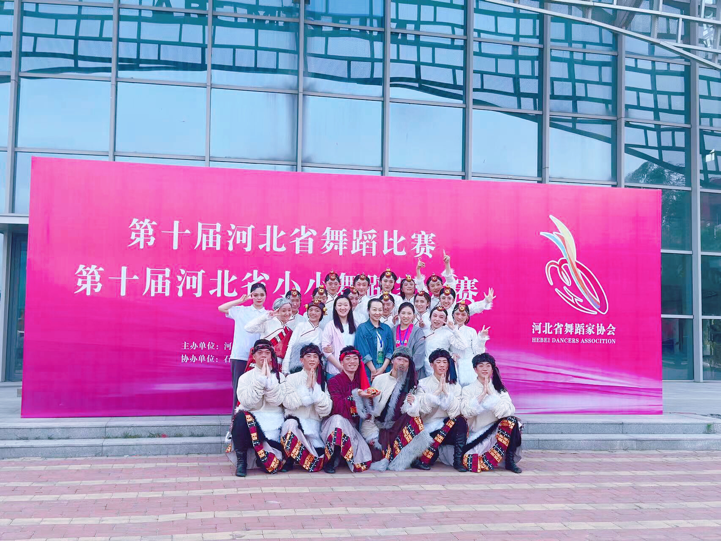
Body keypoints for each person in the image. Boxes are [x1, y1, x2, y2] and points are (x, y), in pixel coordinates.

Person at [361, 347, 432, 471]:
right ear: (393, 361)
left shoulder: (413, 384)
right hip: (380, 427)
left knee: (414, 419)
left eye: (405, 361)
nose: (402, 363)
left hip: (399, 427)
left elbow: (417, 410)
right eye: (399, 359)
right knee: (380, 457)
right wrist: (370, 434)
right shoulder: (379, 379)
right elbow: (370, 410)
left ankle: (413, 458)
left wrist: (413, 403)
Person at [403, 348, 468, 472]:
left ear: (448, 365)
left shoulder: (455, 385)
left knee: (460, 421)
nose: (442, 365)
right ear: (431, 365)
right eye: (438, 362)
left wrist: (446, 393)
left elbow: (456, 412)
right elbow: (421, 410)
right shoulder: (422, 384)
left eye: (445, 362)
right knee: (429, 459)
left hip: (449, 428)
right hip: (429, 430)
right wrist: (436, 393)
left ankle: (458, 461)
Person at [229, 339, 287, 477]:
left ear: (271, 356)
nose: (263, 356)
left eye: (267, 353)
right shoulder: (245, 378)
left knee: (269, 467)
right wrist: (260, 382)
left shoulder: (280, 377)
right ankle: (241, 462)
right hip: (251, 427)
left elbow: (277, 401)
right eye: (260, 353)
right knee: (240, 417)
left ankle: (263, 456)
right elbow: (247, 402)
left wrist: (269, 383)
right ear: (254, 356)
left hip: (273, 427)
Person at [461, 353, 522, 474]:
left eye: (488, 366)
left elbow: (509, 410)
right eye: (481, 365)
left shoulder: (499, 389)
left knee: (511, 421)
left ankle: (509, 461)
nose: (485, 369)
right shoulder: (467, 390)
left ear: (492, 369)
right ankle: (490, 458)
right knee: (470, 462)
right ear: (475, 369)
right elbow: (465, 412)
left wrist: (491, 395)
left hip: (498, 432)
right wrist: (481, 396)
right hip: (478, 434)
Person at [321, 346, 375, 473]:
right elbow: (337, 407)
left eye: (355, 358)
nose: (352, 361)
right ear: (341, 362)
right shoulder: (333, 381)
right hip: (333, 425)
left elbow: (367, 413)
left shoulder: (361, 382)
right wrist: (355, 396)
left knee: (366, 460)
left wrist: (368, 400)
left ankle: (342, 455)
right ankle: (331, 459)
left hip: (352, 427)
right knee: (338, 420)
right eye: (348, 358)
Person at [280, 344, 333, 472]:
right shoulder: (291, 378)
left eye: (315, 356)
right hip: (296, 426)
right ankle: (289, 458)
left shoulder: (322, 381)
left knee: (318, 460)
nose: (312, 359)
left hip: (314, 430)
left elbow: (326, 409)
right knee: (290, 423)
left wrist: (315, 390)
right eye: (308, 356)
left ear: (319, 360)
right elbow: (288, 402)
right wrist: (305, 388)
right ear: (301, 360)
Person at [218, 283, 268, 412]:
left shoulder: (268, 315)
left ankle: (253, 423)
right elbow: (221, 308)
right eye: (255, 295)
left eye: (262, 295)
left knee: (257, 391)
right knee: (239, 391)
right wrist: (240, 301)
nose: (259, 298)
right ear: (251, 295)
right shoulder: (241, 310)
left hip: (259, 359)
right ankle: (236, 421)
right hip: (240, 356)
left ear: (266, 296)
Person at [244, 297, 294, 369]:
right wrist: (265, 317)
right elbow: (248, 328)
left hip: (278, 365)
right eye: (283, 311)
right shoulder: (268, 322)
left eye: (289, 310)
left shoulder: (289, 329)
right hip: (263, 361)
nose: (287, 313)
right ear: (277, 311)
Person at [450, 301, 490, 387]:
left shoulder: (471, 331)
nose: (459, 317)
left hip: (468, 367)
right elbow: (444, 348)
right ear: (453, 314)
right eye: (457, 314)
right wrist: (451, 355)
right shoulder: (448, 330)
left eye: (463, 314)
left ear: (467, 316)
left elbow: (478, 352)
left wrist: (481, 338)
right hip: (452, 365)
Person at [421, 306, 468, 377]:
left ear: (445, 319)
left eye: (441, 317)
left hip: (443, 369)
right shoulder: (423, 332)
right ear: (430, 317)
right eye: (435, 316)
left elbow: (463, 345)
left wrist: (453, 329)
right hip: (426, 368)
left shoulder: (448, 333)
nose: (437, 319)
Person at [355, 298, 394, 381]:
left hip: (385, 370)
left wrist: (382, 369)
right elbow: (362, 351)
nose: (377, 313)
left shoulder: (387, 328)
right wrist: (373, 370)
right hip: (368, 371)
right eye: (374, 310)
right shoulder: (362, 328)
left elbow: (390, 350)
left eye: (380, 310)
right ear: (368, 310)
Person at [284, 300, 325, 374]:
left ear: (322, 313)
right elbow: (291, 346)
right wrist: (285, 368)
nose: (313, 313)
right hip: (298, 366)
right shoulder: (301, 326)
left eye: (317, 311)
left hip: (314, 368)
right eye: (311, 310)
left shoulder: (321, 332)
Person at [322, 295, 358, 378]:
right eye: (339, 305)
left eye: (345, 305)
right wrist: (341, 368)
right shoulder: (330, 326)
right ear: (335, 307)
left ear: (350, 307)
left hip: (353, 371)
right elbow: (325, 349)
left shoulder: (356, 325)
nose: (342, 308)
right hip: (334, 372)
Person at [393, 302, 427, 378]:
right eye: (403, 313)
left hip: (413, 374)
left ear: (414, 316)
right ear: (398, 314)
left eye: (409, 313)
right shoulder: (393, 330)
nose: (406, 316)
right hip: (395, 372)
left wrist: (407, 369)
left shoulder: (418, 332)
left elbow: (419, 354)